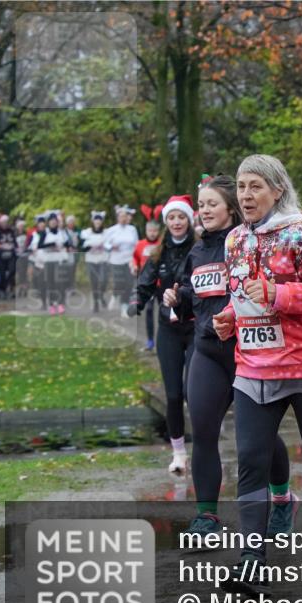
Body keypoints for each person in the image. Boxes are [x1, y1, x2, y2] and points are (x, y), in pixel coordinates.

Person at [212, 154, 302, 595]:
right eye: (241, 186)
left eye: (255, 186)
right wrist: (230, 317)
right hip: (255, 368)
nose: (245, 195)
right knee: (250, 461)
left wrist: (278, 293)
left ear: (277, 190)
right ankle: (251, 563)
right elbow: (242, 295)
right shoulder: (234, 239)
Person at [171, 174, 296, 539]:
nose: (204, 210)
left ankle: (282, 500)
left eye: (212, 204)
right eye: (201, 205)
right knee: (203, 432)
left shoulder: (246, 244)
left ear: (230, 207)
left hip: (246, 352)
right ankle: (206, 518)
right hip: (207, 351)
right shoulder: (196, 252)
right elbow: (192, 299)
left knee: (257, 437)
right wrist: (177, 299)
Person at [128, 196, 196, 474]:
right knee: (173, 394)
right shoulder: (157, 252)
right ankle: (178, 452)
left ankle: (206, 445)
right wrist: (136, 301)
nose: (176, 222)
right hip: (168, 330)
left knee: (194, 392)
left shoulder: (200, 248)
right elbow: (144, 283)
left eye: (181, 217)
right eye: (172, 218)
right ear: (166, 222)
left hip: (195, 328)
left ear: (189, 220)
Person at [28, 211, 72, 314]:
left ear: (57, 222)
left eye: (55, 221)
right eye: (51, 221)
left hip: (59, 261)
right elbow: (40, 245)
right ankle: (52, 304)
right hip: (48, 261)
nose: (53, 222)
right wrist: (51, 245)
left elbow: (68, 244)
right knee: (50, 283)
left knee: (60, 283)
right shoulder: (45, 233)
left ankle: (60, 304)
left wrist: (64, 247)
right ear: (48, 223)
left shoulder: (62, 232)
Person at [103, 204, 139, 316]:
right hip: (116, 260)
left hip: (129, 260)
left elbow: (137, 244)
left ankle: (124, 306)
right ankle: (115, 295)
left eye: (125, 216)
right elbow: (105, 243)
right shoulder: (112, 230)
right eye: (121, 216)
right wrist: (111, 247)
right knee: (119, 282)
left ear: (127, 217)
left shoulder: (132, 229)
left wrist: (137, 259)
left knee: (129, 283)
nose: (123, 218)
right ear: (118, 218)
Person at [133, 220, 162, 351]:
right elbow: (135, 258)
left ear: (158, 231)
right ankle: (150, 341)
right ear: (146, 231)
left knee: (164, 312)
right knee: (149, 310)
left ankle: (163, 340)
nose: (152, 233)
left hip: (161, 283)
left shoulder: (162, 244)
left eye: (155, 231)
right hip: (148, 284)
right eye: (150, 230)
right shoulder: (140, 244)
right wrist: (134, 265)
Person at [79, 211, 109, 312]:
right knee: (94, 282)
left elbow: (109, 246)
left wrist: (104, 246)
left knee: (104, 280)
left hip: (103, 260)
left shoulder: (106, 233)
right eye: (96, 221)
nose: (97, 222)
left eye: (99, 221)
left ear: (102, 222)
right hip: (91, 261)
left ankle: (101, 294)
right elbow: (82, 247)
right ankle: (96, 302)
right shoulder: (86, 233)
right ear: (92, 222)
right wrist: (91, 246)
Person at [0, 214, 17, 299]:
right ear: (1, 223)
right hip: (1, 255)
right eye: (4, 222)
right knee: (1, 273)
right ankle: (1, 289)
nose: (5, 224)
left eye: (6, 222)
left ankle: (5, 288)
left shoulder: (11, 231)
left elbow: (15, 242)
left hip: (11, 254)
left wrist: (14, 246)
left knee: (12, 271)